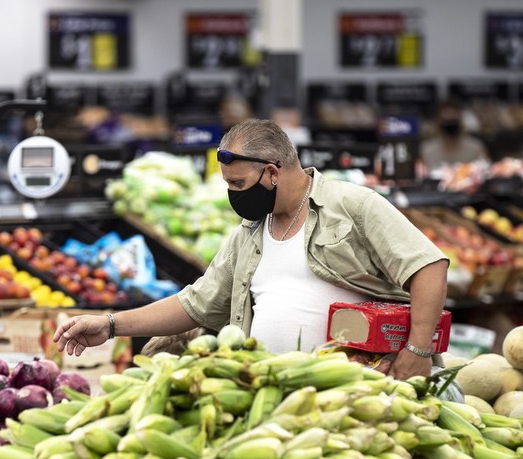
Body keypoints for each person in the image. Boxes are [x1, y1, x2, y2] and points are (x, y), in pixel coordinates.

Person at [54, 118, 449, 380]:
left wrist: (416, 349)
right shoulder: (249, 235)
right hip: (271, 391)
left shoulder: (353, 206)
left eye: (238, 184)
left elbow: (428, 266)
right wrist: (109, 325)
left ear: (273, 172)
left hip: (360, 390)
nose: (232, 195)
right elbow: (194, 304)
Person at [421, 99, 490, 170]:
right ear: (438, 121)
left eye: (453, 120)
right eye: (447, 120)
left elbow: (485, 172)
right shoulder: (427, 150)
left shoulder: (476, 148)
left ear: (461, 119)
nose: (450, 123)